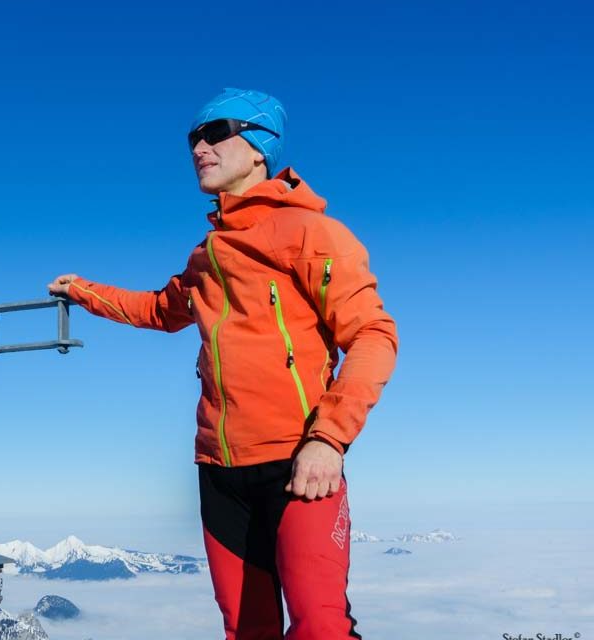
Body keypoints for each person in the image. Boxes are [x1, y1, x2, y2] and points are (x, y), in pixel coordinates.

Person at [47, 88, 398, 640]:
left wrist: (328, 440)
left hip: (297, 462)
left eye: (215, 133)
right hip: (219, 473)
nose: (198, 148)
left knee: (319, 628)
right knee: (245, 629)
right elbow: (160, 310)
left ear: (259, 146)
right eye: (192, 138)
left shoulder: (311, 232)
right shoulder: (207, 253)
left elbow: (374, 335)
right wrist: (83, 291)